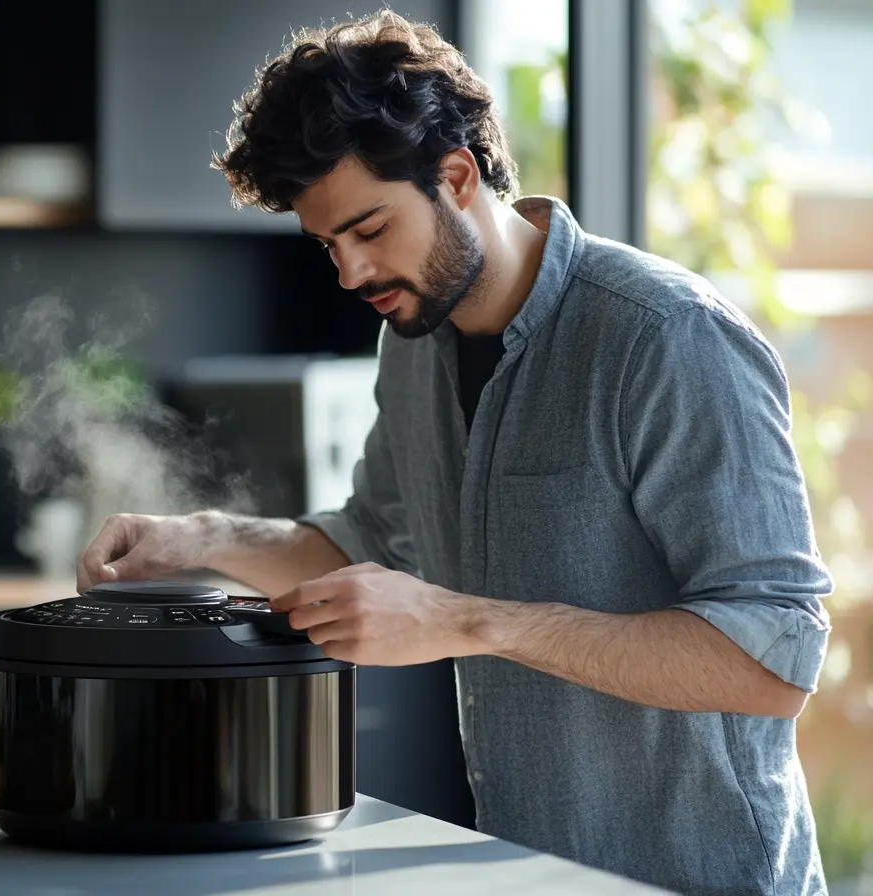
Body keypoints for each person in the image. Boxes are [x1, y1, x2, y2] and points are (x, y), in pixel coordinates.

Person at [75, 9, 832, 896]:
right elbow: (369, 543)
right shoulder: (413, 341)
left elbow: (774, 658)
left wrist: (467, 621)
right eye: (328, 245)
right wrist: (200, 538)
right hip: (533, 876)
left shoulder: (664, 339)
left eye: (369, 229)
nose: (349, 274)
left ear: (459, 175)